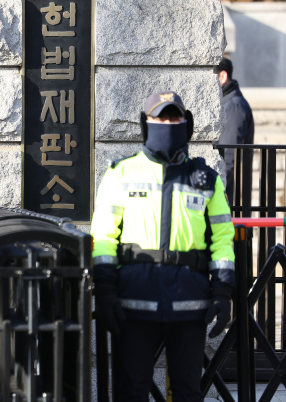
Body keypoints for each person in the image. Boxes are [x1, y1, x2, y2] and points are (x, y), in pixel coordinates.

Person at [91, 92, 235, 402]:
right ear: (146, 124)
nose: (168, 124)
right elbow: (103, 237)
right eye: (161, 118)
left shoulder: (206, 180)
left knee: (187, 393)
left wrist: (223, 294)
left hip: (189, 304)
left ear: (187, 123)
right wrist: (104, 290)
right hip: (134, 302)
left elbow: (223, 241)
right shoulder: (120, 174)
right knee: (131, 392)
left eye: (174, 117)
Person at [214, 58, 254, 200]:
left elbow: (229, 156)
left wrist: (217, 193)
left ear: (223, 76)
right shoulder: (230, 103)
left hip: (229, 195)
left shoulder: (233, 106)